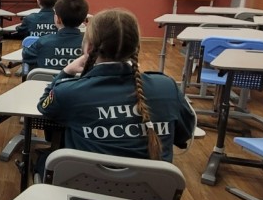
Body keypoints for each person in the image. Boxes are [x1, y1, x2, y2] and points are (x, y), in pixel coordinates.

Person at [37, 9, 195, 165]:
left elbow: (45, 106)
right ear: (136, 47)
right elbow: (183, 134)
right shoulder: (167, 87)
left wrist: (66, 72)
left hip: (83, 180)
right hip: (154, 182)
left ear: (89, 48)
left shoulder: (68, 92)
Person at [22, 0, 89, 72]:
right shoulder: (91, 46)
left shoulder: (42, 42)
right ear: (84, 20)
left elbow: (26, 56)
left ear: (58, 19)